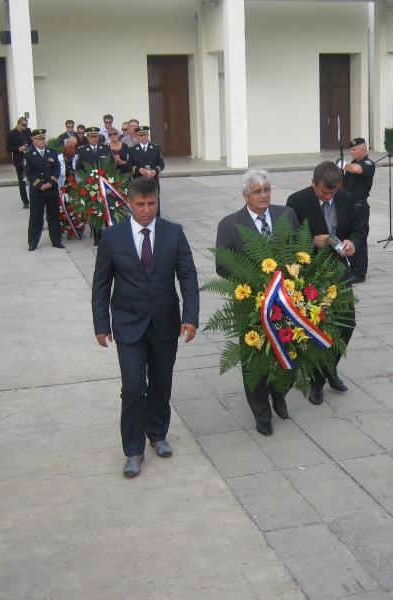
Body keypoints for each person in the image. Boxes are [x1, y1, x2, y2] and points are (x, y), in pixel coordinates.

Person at [92, 176, 199, 478]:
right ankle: (133, 449)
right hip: (128, 325)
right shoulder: (112, 237)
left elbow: (188, 277)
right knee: (134, 386)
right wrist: (101, 324)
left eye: (152, 203)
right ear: (129, 203)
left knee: (161, 384)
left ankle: (158, 433)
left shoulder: (173, 233)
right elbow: (101, 284)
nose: (147, 210)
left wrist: (190, 317)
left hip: (166, 323)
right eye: (140, 204)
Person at [215, 169, 299, 436]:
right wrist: (254, 281)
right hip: (252, 304)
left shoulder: (287, 215)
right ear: (245, 195)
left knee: (287, 353)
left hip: (286, 301)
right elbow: (222, 266)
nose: (264, 195)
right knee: (254, 360)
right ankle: (261, 413)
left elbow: (300, 251)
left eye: (267, 190)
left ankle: (279, 393)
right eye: (257, 191)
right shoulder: (229, 225)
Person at [286, 161, 361, 405]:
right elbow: (288, 239)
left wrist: (352, 243)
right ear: (313, 183)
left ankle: (330, 368)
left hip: (339, 270)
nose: (328, 196)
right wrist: (310, 242)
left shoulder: (347, 199)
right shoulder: (297, 201)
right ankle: (317, 381)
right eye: (324, 192)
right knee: (317, 328)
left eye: (332, 192)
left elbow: (360, 229)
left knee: (347, 324)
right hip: (312, 273)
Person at [339, 137, 375, 283]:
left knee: (359, 238)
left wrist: (343, 165)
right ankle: (352, 268)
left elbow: (357, 170)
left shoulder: (367, 163)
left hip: (359, 206)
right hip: (349, 206)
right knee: (349, 237)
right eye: (351, 149)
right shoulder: (352, 163)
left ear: (363, 149)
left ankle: (359, 272)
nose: (351, 152)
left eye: (354, 149)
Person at [24, 129, 64, 251]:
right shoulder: (29, 154)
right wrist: (40, 184)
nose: (42, 141)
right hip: (38, 190)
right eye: (39, 139)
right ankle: (33, 242)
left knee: (54, 216)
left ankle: (56, 241)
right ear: (33, 140)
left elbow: (57, 169)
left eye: (43, 138)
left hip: (51, 189)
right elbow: (28, 172)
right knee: (36, 217)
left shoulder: (52, 152)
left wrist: (50, 182)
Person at [5, 117, 31, 209]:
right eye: (24, 125)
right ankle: (25, 201)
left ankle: (34, 199)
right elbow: (8, 148)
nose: (26, 127)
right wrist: (18, 149)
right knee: (22, 181)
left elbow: (31, 142)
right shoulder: (12, 134)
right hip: (19, 160)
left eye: (26, 125)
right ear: (19, 124)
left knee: (32, 180)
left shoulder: (28, 131)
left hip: (29, 160)